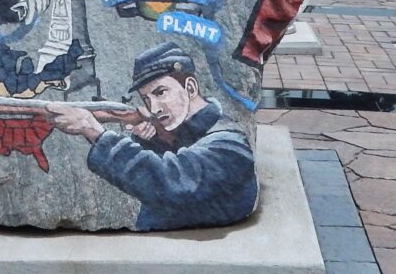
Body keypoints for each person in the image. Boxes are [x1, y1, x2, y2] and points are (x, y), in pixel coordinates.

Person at [48, 43, 259, 231]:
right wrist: (149, 140)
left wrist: (95, 132)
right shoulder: (183, 132)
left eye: (160, 93)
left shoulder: (230, 145)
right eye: (147, 99)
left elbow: (170, 181)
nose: (154, 108)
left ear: (191, 87)